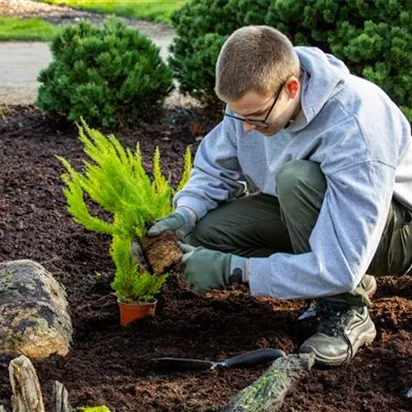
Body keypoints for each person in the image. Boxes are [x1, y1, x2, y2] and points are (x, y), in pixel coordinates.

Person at [148, 25, 412, 366]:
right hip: (319, 216)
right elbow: (215, 169)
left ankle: (346, 310)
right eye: (237, 115)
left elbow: (341, 265)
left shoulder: (355, 124)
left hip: (396, 232)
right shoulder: (254, 101)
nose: (245, 127)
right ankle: (322, 282)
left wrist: (237, 270)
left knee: (296, 179)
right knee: (203, 236)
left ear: (291, 87)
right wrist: (186, 214)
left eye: (256, 117)